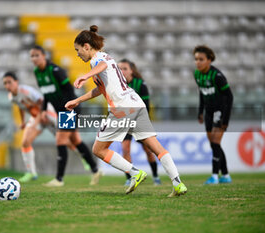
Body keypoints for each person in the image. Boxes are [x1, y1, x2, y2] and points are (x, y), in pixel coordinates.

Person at [65, 25, 187, 196]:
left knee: (98, 150)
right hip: (135, 103)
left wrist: (85, 76)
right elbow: (100, 89)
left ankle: (135, 173)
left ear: (86, 46)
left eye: (78, 50)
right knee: (155, 146)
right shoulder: (103, 59)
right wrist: (78, 100)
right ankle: (178, 184)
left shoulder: (98, 60)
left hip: (122, 107)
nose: (78, 54)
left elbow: (102, 65)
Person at [30, 45, 102, 187]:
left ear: (44, 56)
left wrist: (70, 109)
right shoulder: (37, 72)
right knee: (75, 140)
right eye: (32, 56)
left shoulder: (55, 70)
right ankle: (96, 170)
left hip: (69, 109)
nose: (34, 58)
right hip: (60, 111)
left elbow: (69, 90)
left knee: (60, 139)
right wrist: (44, 110)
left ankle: (59, 179)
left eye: (36, 55)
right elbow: (46, 93)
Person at [2, 71, 53, 182]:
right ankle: (31, 173)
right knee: (25, 142)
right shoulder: (11, 97)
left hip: (49, 114)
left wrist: (37, 121)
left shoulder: (26, 91)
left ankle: (85, 160)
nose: (7, 86)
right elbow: (21, 106)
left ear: (16, 82)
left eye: (9, 82)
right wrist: (23, 122)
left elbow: (42, 102)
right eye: (5, 83)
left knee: (68, 140)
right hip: (36, 118)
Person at [193, 45, 233, 184]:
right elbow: (202, 93)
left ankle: (215, 176)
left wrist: (225, 119)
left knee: (215, 143)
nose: (198, 62)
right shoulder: (197, 74)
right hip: (208, 112)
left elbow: (229, 97)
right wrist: (200, 111)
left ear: (209, 60)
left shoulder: (217, 76)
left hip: (220, 111)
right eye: (196, 59)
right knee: (213, 144)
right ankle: (226, 175)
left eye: (201, 59)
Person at [118, 59, 161, 186]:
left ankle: (155, 176)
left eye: (125, 68)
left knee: (148, 150)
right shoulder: (118, 85)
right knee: (125, 149)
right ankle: (129, 178)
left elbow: (146, 106)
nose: (122, 71)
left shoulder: (141, 84)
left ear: (132, 70)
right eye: (119, 68)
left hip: (138, 122)